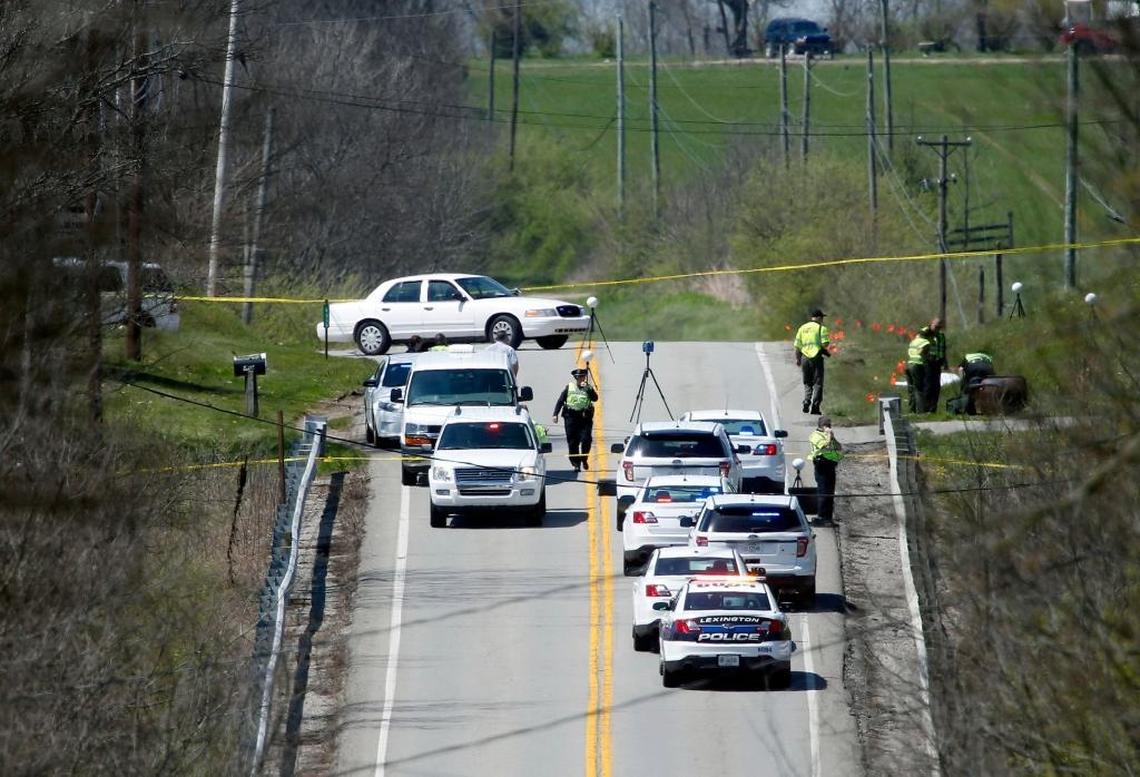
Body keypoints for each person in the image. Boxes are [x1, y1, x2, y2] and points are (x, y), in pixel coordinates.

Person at [552, 367, 598, 473]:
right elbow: (560, 400)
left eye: (583, 377)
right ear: (576, 378)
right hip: (571, 417)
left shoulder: (588, 388)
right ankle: (576, 464)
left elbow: (595, 398)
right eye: (579, 378)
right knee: (573, 442)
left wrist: (588, 389)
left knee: (586, 440)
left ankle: (584, 459)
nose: (581, 379)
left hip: (584, 417)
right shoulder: (569, 387)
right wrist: (555, 414)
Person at [793, 308, 831, 415]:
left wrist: (798, 359)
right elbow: (825, 344)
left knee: (807, 382)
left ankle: (806, 400)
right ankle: (815, 407)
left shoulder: (802, 328)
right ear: (818, 317)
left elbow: (797, 346)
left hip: (805, 358)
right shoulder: (822, 329)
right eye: (822, 317)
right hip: (817, 358)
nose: (823, 319)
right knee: (818, 384)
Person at [808, 416, 844, 523]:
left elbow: (838, 447)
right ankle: (821, 516)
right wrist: (828, 436)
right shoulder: (815, 436)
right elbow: (824, 446)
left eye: (830, 425)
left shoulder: (828, 435)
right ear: (823, 426)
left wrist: (833, 438)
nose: (830, 427)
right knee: (824, 491)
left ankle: (828, 517)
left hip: (831, 465)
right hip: (822, 465)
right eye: (828, 426)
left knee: (830, 492)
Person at [905, 327, 933, 413]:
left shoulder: (913, 341)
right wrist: (928, 358)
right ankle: (921, 411)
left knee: (911, 389)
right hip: (917, 365)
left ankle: (911, 410)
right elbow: (922, 352)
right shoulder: (925, 342)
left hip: (909, 364)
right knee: (918, 389)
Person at [924, 318, 948, 415]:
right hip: (928, 363)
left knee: (936, 386)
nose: (937, 329)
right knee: (928, 386)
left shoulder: (941, 336)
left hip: (937, 363)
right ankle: (925, 408)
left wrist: (944, 363)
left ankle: (933, 408)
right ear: (931, 324)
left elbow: (943, 350)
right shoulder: (925, 334)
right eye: (936, 327)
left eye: (939, 327)